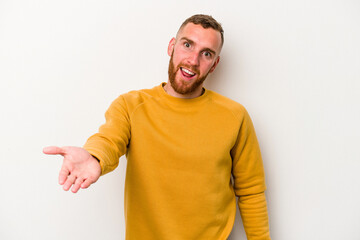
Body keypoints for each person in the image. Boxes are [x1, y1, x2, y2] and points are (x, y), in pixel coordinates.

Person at [44, 14, 271, 240]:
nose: (193, 60)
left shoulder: (234, 115)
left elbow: (251, 192)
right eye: (187, 45)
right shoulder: (131, 105)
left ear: (214, 65)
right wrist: (94, 156)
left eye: (207, 53)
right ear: (172, 46)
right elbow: (109, 140)